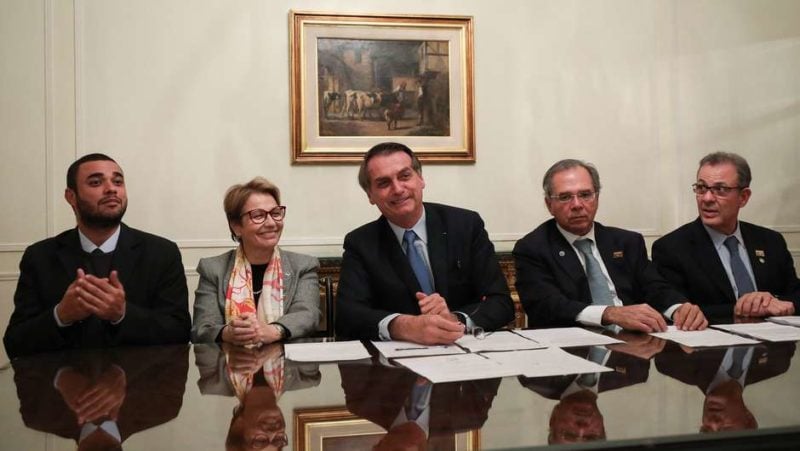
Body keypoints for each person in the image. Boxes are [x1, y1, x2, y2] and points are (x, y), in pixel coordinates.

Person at [3, 153, 191, 359]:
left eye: (117, 181)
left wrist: (122, 314)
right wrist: (61, 315)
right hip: (63, 378)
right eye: (95, 182)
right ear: (71, 196)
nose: (111, 189)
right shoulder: (40, 257)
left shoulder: (162, 253)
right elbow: (15, 343)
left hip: (139, 378)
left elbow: (180, 333)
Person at [335, 142, 515, 344]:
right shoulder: (360, 243)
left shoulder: (465, 226)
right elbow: (348, 316)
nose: (398, 189)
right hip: (399, 358)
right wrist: (402, 325)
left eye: (405, 176)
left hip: (466, 350)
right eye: (384, 183)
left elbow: (501, 303)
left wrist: (455, 319)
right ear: (370, 195)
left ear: (420, 179)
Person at [513, 159, 707, 332]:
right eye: (565, 197)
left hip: (634, 346)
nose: (577, 204)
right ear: (549, 204)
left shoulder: (627, 242)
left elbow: (655, 287)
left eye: (585, 194)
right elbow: (546, 305)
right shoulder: (533, 248)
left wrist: (679, 309)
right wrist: (609, 314)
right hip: (575, 346)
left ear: (597, 197)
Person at [652, 152, 800, 320]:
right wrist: (744, 309)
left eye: (720, 189)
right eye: (701, 188)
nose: (707, 198)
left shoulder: (770, 241)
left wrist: (776, 302)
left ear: (743, 197)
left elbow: (795, 294)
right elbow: (681, 312)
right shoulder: (672, 248)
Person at [191, 177, 320, 346]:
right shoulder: (213, 269)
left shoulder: (303, 265)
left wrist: (273, 331)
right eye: (258, 215)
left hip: (287, 361)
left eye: (275, 213)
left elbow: (308, 315)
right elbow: (202, 328)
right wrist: (228, 333)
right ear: (236, 226)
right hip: (230, 360)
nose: (271, 223)